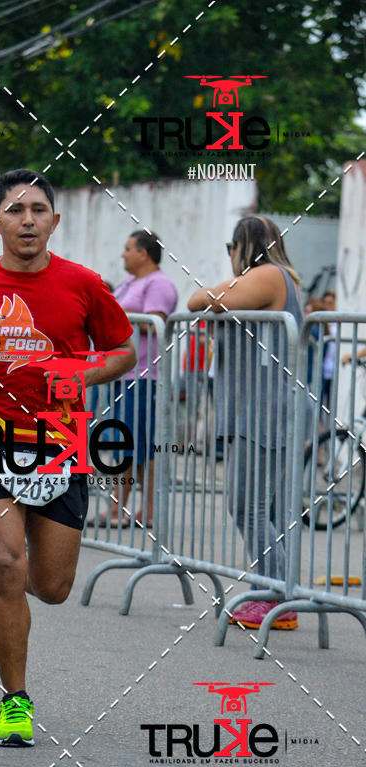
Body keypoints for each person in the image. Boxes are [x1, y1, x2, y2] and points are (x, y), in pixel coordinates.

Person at [0, 169, 136, 747]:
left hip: (59, 445)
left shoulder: (84, 285)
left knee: (52, 584)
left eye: (38, 209)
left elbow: (124, 349)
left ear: (54, 221)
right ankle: (15, 701)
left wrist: (83, 372)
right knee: (6, 562)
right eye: (15, 211)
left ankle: (13, 600)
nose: (28, 220)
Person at [188, 215, 302, 631]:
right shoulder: (274, 279)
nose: (229, 257)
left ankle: (279, 595)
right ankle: (281, 591)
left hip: (264, 411)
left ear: (243, 246)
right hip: (256, 409)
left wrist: (207, 292)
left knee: (246, 506)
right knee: (262, 508)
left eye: (230, 248)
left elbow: (201, 301)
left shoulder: (269, 276)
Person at [104, 231, 177, 528]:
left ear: (144, 253)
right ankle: (122, 507)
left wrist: (120, 315)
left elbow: (154, 326)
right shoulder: (129, 283)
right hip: (125, 374)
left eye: (128, 248)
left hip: (145, 377)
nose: (123, 254)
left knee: (139, 447)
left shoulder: (158, 284)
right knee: (129, 445)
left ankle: (138, 510)